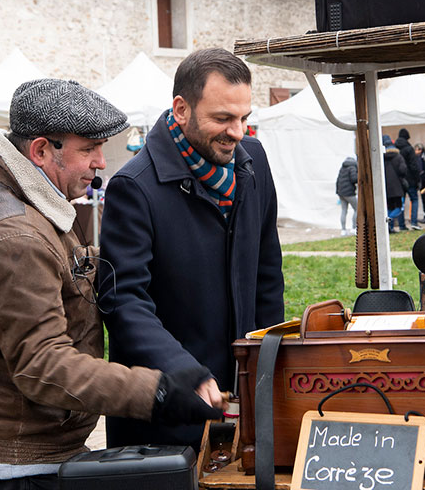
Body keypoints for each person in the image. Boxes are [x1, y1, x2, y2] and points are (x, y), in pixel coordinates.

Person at [0, 79, 221, 490]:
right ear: (41, 150)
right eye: (88, 150)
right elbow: (44, 366)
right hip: (11, 468)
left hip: (19, 452)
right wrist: (157, 391)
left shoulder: (11, 192)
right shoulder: (14, 237)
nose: (101, 161)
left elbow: (60, 278)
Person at [98, 48, 285, 449]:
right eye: (222, 119)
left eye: (243, 118)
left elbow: (268, 274)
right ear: (181, 109)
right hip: (167, 414)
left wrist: (268, 364)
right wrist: (185, 372)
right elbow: (123, 301)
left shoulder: (254, 161)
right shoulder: (134, 187)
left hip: (245, 400)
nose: (237, 132)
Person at [396, 129, 421, 230]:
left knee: (400, 203)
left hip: (399, 180)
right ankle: (414, 222)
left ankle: (402, 225)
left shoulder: (395, 149)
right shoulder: (409, 149)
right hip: (410, 179)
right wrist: (418, 179)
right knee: (414, 199)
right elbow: (414, 166)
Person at [383, 134, 408, 233]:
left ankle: (389, 227)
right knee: (398, 207)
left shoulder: (381, 158)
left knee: (388, 207)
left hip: (386, 187)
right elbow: (403, 170)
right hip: (397, 186)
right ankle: (388, 220)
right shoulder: (398, 156)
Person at [336, 155, 358, 235]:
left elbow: (338, 180)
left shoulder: (343, 167)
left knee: (344, 210)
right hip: (349, 193)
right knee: (357, 209)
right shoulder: (352, 167)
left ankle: (343, 230)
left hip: (341, 193)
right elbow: (354, 179)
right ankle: (354, 228)